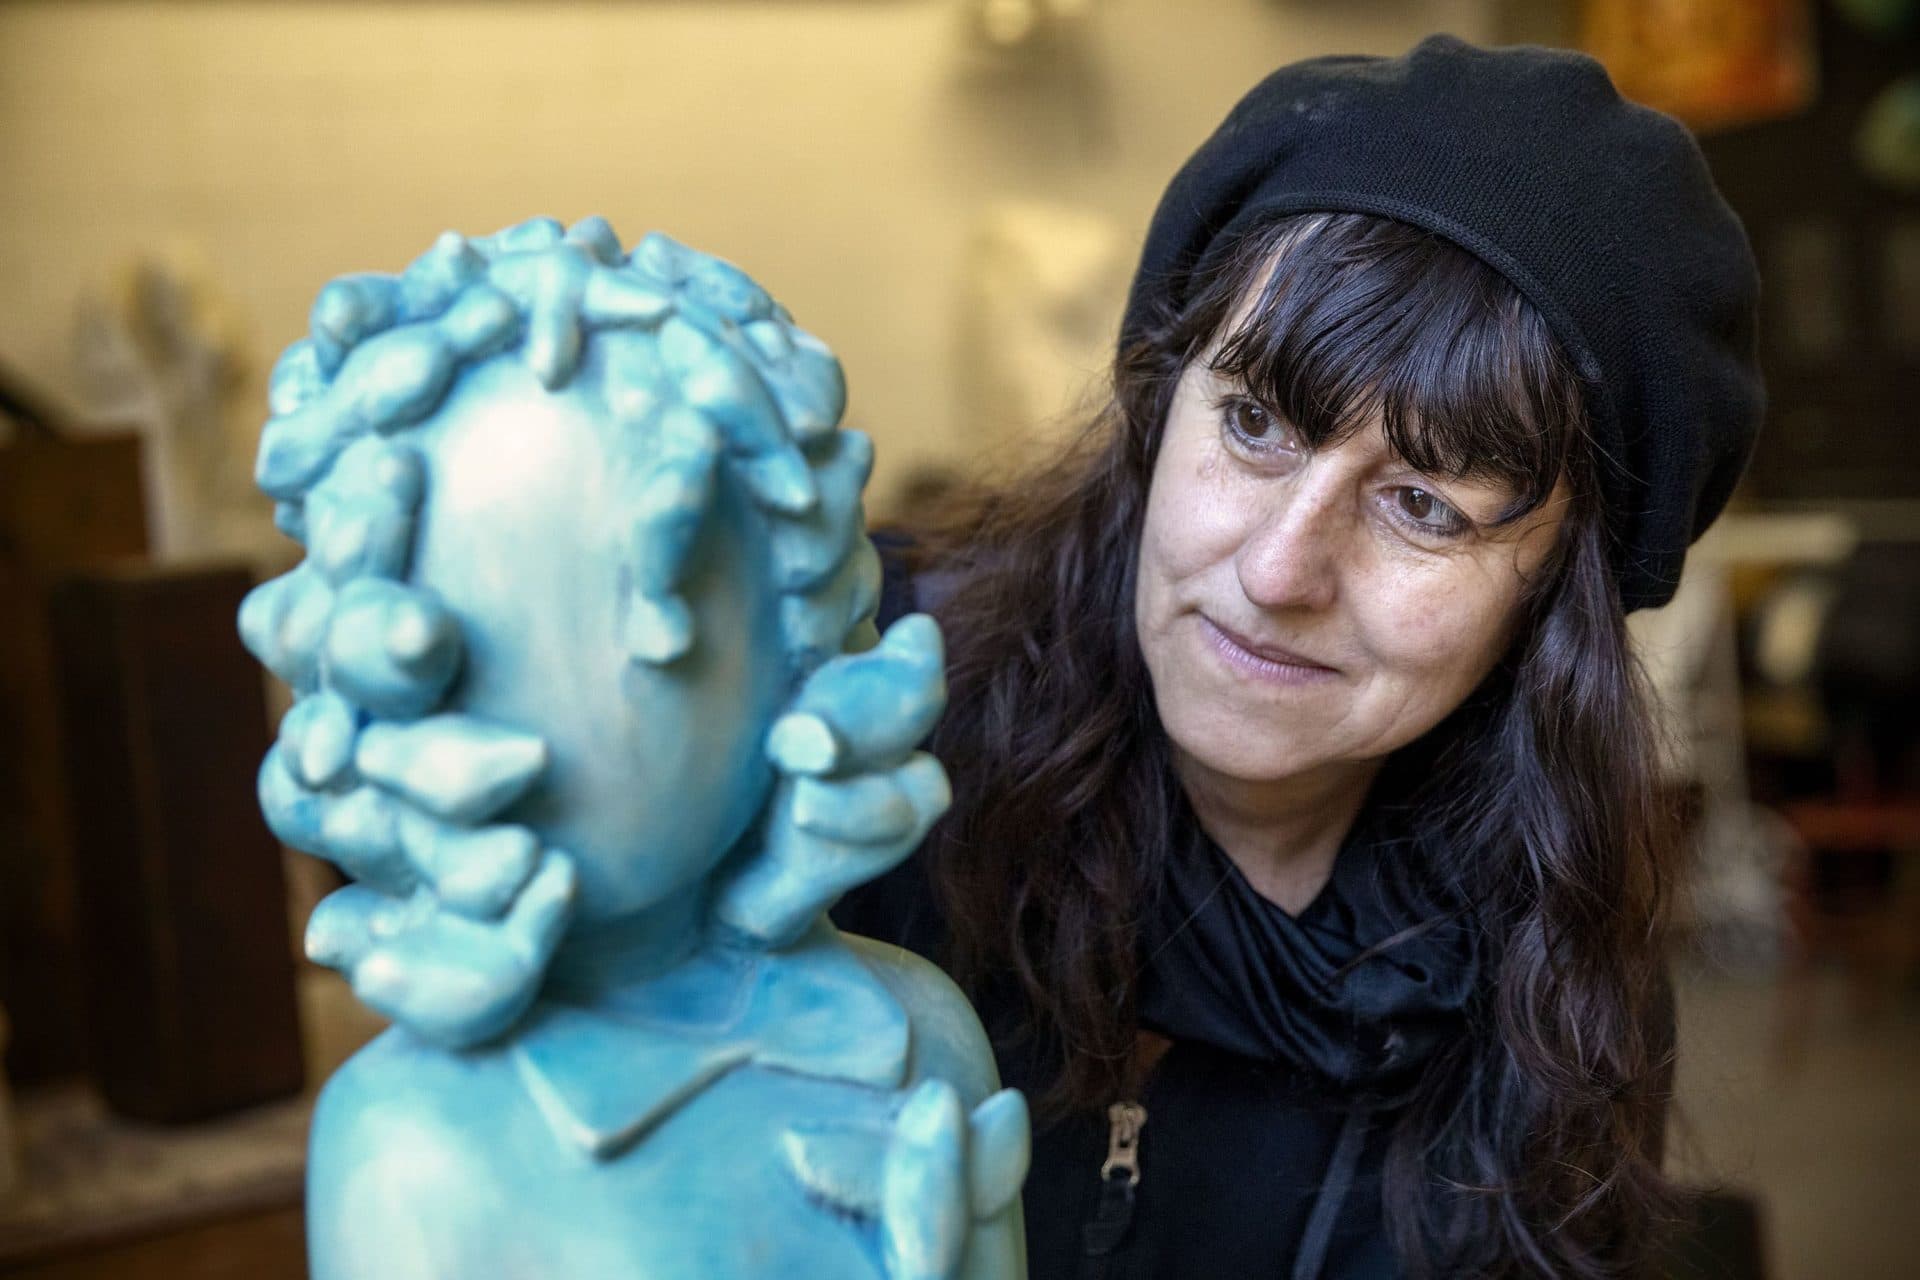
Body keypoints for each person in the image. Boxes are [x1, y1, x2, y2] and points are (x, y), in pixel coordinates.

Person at [832, 33, 1765, 1280]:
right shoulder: (855, 730)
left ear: (1554, 596)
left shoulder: (1557, 983)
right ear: (1165, 403)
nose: (1279, 571)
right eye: (1257, 422)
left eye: (1424, 503)